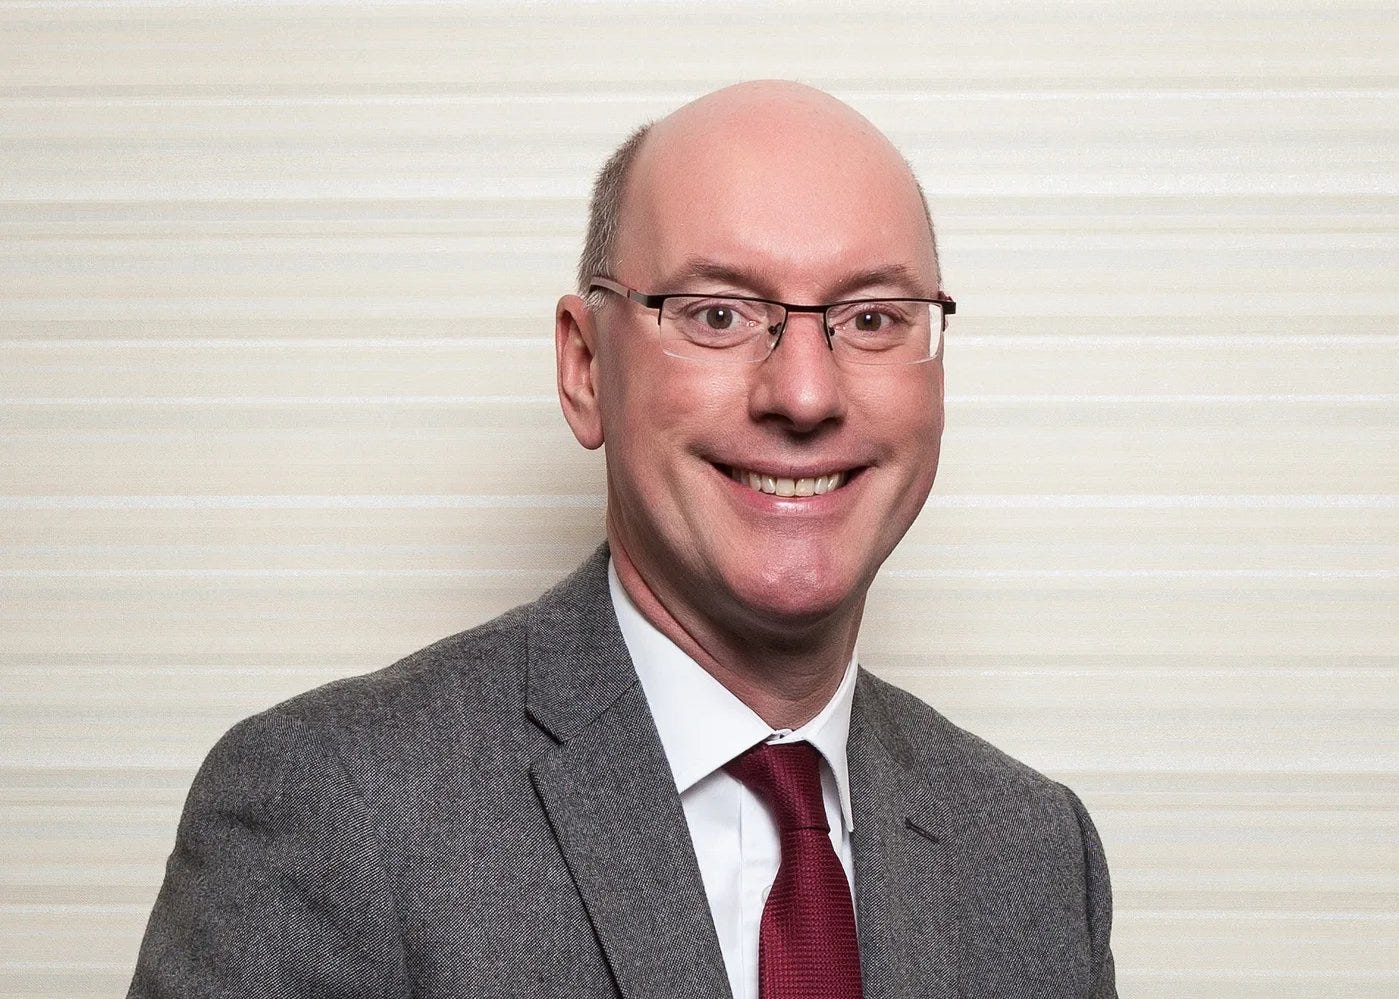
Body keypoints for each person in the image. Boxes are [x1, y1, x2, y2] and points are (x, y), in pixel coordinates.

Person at [128, 80, 1116, 999]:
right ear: (585, 367)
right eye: (718, 313)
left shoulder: (1032, 854)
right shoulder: (335, 809)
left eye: (871, 318)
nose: (805, 394)